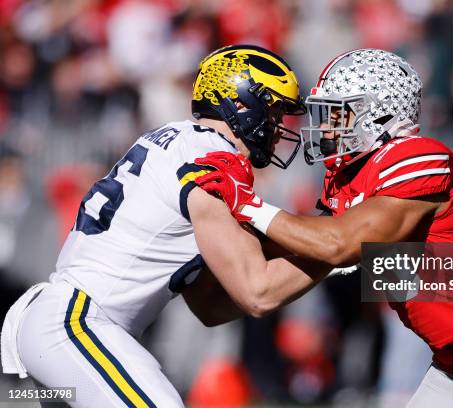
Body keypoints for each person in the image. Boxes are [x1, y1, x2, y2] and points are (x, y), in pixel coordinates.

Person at [196, 49, 453, 407]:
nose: (325, 129)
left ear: (380, 115)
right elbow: (309, 251)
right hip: (452, 367)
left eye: (338, 115)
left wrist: (247, 204)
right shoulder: (345, 178)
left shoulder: (421, 158)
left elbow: (340, 245)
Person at [0, 44, 336, 408]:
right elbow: (259, 292)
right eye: (272, 110)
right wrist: (337, 251)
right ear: (240, 103)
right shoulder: (214, 159)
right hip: (78, 323)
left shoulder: (177, 139)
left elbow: (210, 307)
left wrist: (318, 259)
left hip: (63, 322)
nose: (277, 125)